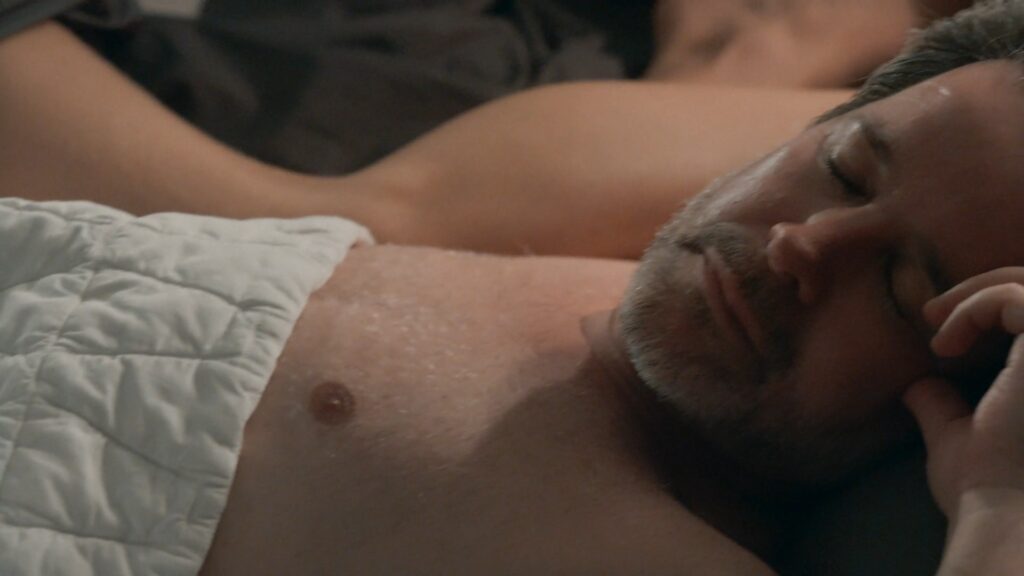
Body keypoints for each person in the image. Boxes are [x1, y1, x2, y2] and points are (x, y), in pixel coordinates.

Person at [2, 2, 1024, 575]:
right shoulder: (578, 240)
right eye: (844, 168)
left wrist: (997, 509)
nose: (805, 245)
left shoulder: (649, 550)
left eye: (899, 290)